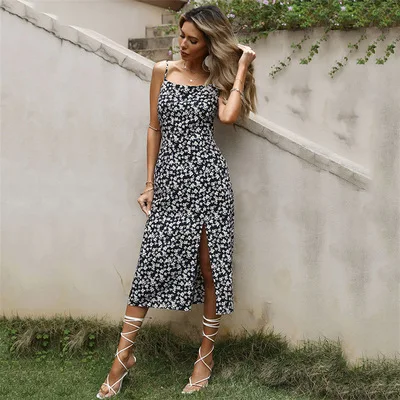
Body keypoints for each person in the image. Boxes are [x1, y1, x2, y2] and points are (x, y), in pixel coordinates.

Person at [96, 5, 257, 398]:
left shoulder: (217, 79)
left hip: (209, 184)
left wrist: (241, 67)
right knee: (150, 264)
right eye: (181, 36)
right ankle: (122, 358)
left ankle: (205, 356)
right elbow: (154, 128)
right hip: (169, 185)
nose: (182, 44)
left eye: (192, 40)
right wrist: (149, 183)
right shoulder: (162, 71)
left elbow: (229, 117)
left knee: (210, 267)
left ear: (209, 44)